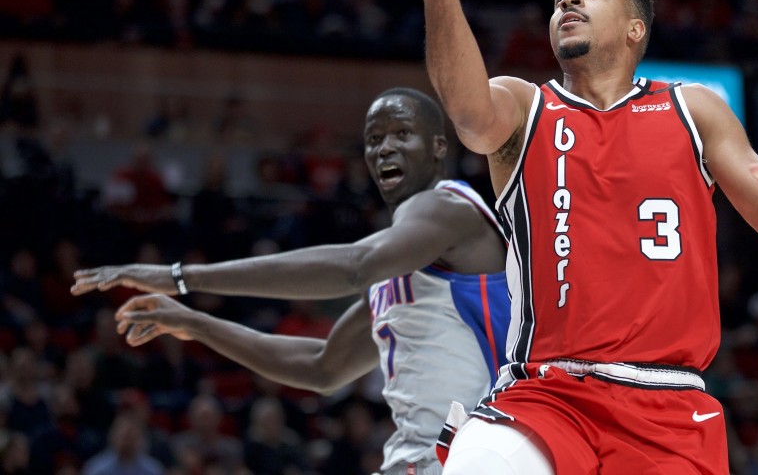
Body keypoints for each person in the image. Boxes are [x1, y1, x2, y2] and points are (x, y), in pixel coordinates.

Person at [389, 0, 758, 474]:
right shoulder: (528, 107)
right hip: (546, 395)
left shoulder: (695, 109)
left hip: (668, 409)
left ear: (635, 29)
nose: (569, 3)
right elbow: (470, 117)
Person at [71, 87, 510, 475]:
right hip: (419, 459)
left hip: (473, 454)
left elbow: (354, 265)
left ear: (437, 147)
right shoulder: (397, 269)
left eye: (401, 134)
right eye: (374, 140)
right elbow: (321, 367)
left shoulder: (449, 208)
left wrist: (179, 277)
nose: (384, 149)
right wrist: (197, 325)